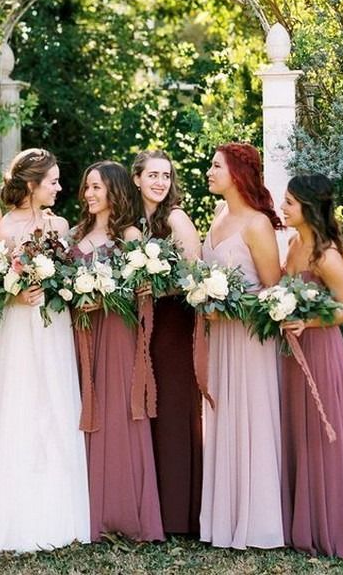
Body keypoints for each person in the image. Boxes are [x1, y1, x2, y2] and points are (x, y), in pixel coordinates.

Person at [0, 149, 90, 555]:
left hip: (55, 327)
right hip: (19, 328)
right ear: (32, 185)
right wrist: (14, 296)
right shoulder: (6, 228)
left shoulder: (61, 224)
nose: (60, 188)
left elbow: (70, 274)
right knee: (19, 407)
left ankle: (57, 512)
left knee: (56, 406)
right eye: (53, 181)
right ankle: (11, 513)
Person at [279, 173, 343, 558]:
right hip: (291, 351)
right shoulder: (292, 243)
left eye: (288, 202)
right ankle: (301, 519)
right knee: (297, 428)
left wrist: (310, 321)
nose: (283, 207)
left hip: (320, 351)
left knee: (321, 430)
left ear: (308, 207)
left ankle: (330, 523)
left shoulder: (326, 255)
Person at [73, 160, 164, 542]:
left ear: (114, 190)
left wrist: (109, 297)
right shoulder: (76, 232)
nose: (90, 194)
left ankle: (121, 509)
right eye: (87, 187)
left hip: (116, 332)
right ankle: (84, 507)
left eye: (97, 187)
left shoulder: (128, 234)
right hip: (79, 331)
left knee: (115, 412)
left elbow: (145, 287)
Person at [200, 142, 284, 549]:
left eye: (216, 166)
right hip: (219, 339)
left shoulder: (257, 224)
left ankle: (259, 522)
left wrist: (230, 307)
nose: (209, 171)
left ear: (236, 173)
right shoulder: (218, 216)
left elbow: (274, 291)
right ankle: (225, 517)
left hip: (249, 339)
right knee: (223, 417)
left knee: (250, 418)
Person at [131, 149, 202, 535]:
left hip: (173, 324)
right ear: (137, 178)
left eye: (166, 175)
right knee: (148, 412)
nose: (160, 182)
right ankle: (151, 506)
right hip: (141, 326)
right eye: (153, 175)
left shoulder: (175, 218)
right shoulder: (131, 220)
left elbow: (195, 275)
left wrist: (158, 287)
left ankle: (178, 513)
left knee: (173, 409)